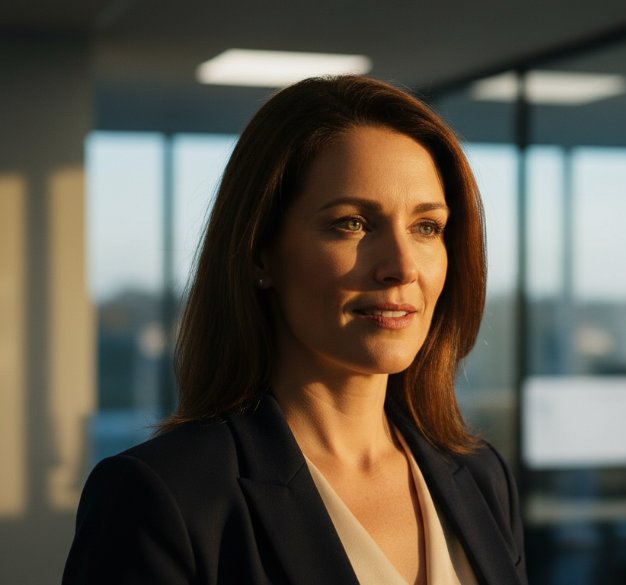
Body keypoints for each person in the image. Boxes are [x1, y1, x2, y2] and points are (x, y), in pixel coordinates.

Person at [63, 75, 526, 585]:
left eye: (426, 227)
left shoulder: (481, 476)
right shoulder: (162, 496)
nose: (401, 266)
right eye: (352, 223)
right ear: (261, 252)